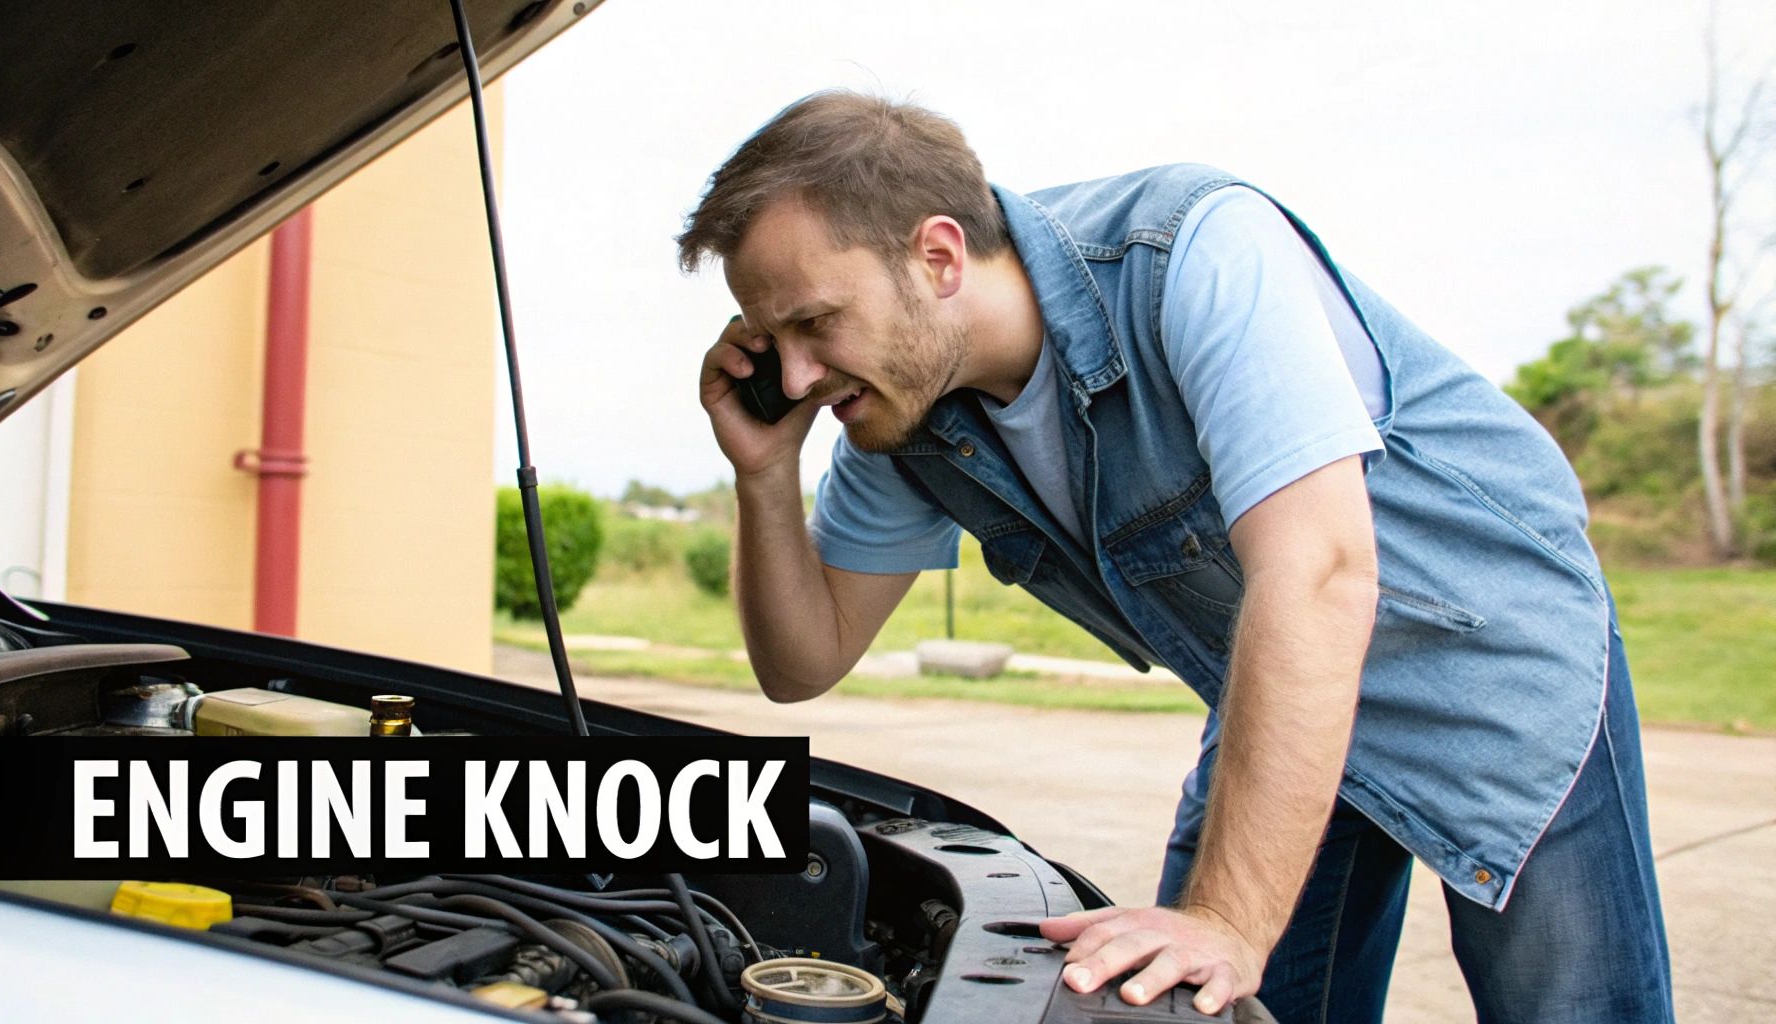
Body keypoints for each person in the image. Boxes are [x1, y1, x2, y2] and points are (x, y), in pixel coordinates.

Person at [678, 90, 1673, 1023]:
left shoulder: (1193, 249)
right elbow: (802, 664)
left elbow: (1318, 573)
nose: (798, 374)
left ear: (937, 257)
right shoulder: (899, 412)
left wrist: (1229, 921)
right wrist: (763, 475)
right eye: (772, 338)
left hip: (1484, 659)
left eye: (813, 322)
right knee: (1190, 999)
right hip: (1279, 681)